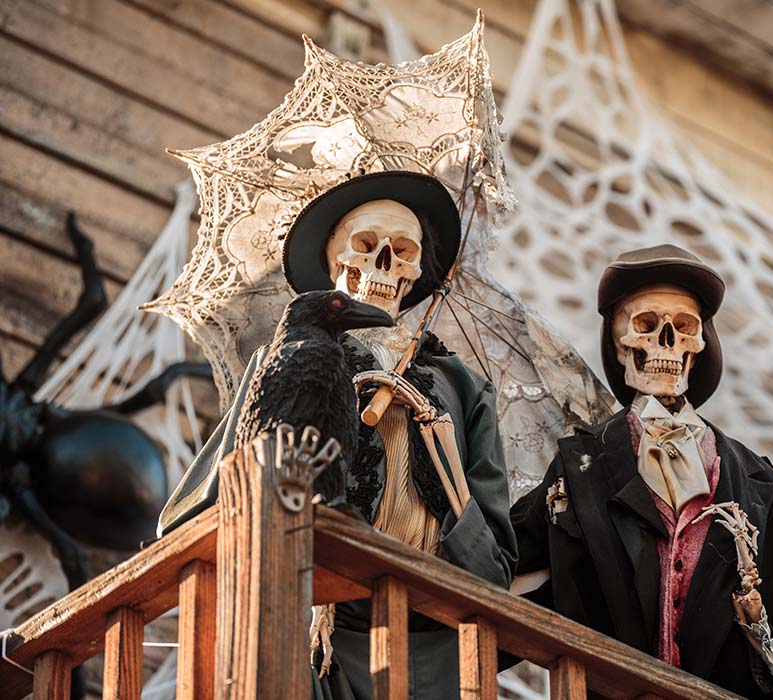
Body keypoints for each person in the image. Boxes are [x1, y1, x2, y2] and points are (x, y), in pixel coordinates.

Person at [158, 170, 517, 699]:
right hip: (320, 642)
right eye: (366, 246)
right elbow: (196, 512)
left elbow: (493, 571)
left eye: (404, 251)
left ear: (418, 272)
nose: (384, 265)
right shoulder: (286, 357)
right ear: (333, 266)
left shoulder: (463, 388)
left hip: (441, 659)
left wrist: (444, 463)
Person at [511, 244, 773, 699]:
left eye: (684, 328)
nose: (666, 342)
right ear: (619, 346)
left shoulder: (762, 484)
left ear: (699, 347)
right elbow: (505, 557)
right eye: (646, 325)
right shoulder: (580, 469)